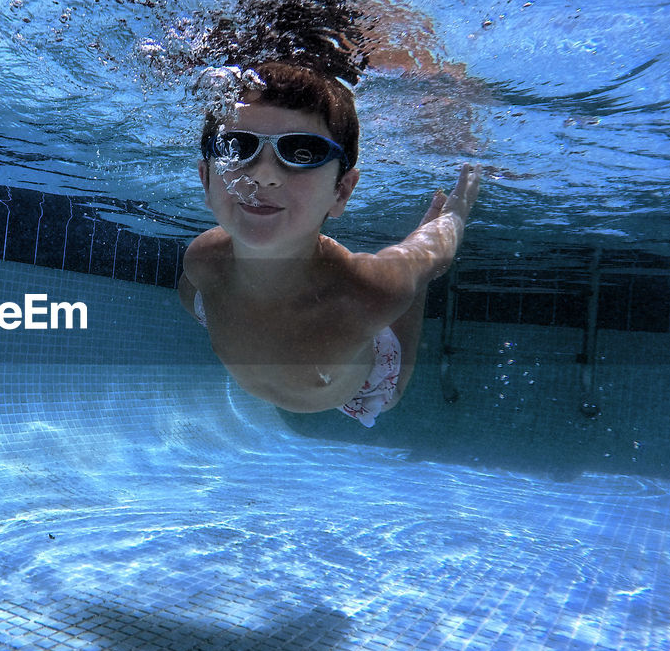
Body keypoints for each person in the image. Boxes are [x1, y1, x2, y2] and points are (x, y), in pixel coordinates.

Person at [178, 62, 481, 427]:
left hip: (361, 387)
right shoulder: (203, 263)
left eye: (303, 153)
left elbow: (431, 256)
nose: (264, 174)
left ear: (341, 191)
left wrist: (455, 216)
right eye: (237, 147)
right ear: (205, 179)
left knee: (412, 285)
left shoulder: (366, 292)